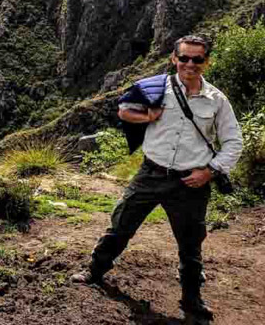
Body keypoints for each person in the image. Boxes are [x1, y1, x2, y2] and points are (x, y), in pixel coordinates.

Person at [71, 35, 243, 322]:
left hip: (191, 182)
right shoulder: (153, 87)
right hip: (150, 173)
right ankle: (94, 271)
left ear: (206, 62)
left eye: (197, 59)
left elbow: (233, 141)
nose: (190, 64)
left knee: (191, 244)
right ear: (174, 59)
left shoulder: (216, 100)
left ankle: (192, 300)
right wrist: (147, 119)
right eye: (184, 58)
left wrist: (209, 172)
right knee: (121, 225)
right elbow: (124, 111)